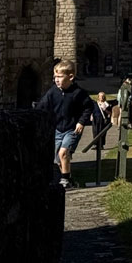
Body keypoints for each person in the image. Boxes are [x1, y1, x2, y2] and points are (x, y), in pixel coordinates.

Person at [36, 60, 94, 189]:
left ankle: (65, 181)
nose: (56, 80)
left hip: (72, 129)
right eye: (55, 77)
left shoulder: (78, 93)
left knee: (64, 153)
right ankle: (69, 178)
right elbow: (42, 106)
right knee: (58, 159)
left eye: (60, 77)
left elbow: (88, 107)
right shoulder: (53, 92)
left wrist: (81, 122)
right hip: (58, 129)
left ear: (71, 77)